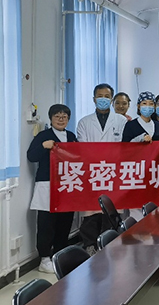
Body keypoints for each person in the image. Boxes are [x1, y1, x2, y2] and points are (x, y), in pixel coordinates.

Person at [76, 83, 127, 255]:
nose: (103, 99)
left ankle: (109, 247)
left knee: (110, 213)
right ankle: (90, 246)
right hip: (92, 173)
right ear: (93, 99)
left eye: (107, 96)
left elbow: (125, 147)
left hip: (114, 172)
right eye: (100, 96)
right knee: (91, 214)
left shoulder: (121, 121)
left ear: (111, 100)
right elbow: (83, 148)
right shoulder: (84, 122)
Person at [27, 104, 77, 273]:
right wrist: (43, 146)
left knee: (65, 221)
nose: (61, 119)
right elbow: (31, 156)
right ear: (51, 118)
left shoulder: (71, 136)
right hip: (47, 185)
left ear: (68, 119)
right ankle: (44, 258)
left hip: (67, 184)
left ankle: (60, 254)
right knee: (46, 222)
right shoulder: (44, 136)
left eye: (64, 117)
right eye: (57, 116)